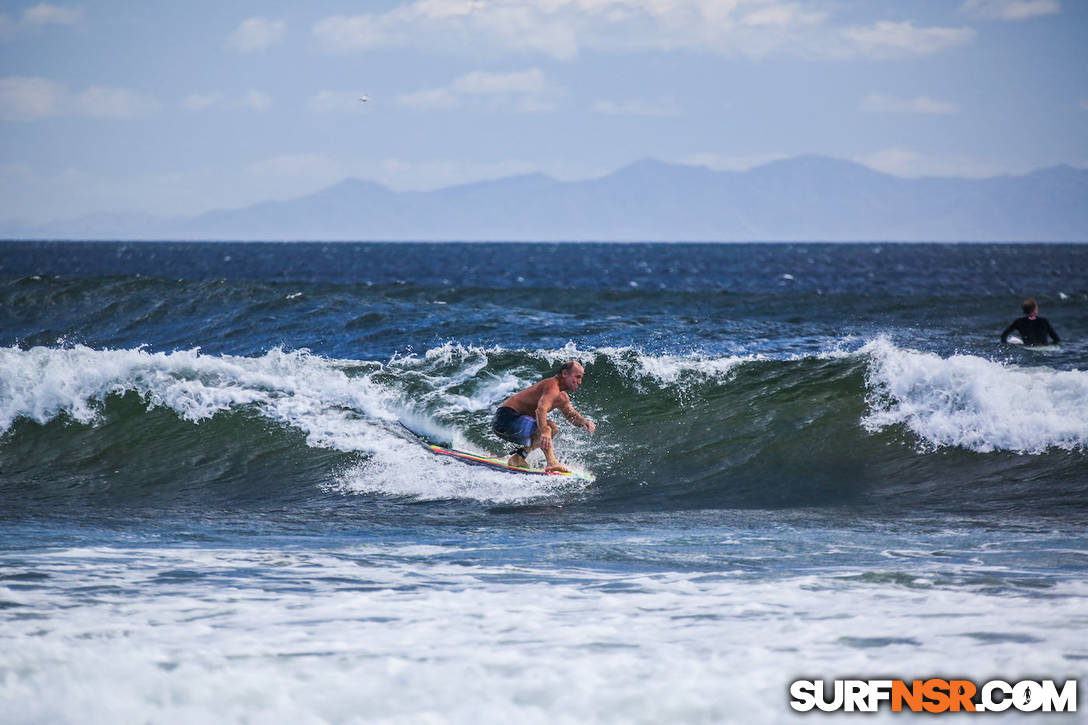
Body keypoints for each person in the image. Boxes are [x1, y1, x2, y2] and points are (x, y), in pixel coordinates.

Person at [491, 361, 596, 472]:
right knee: (546, 428)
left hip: (514, 423)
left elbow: (572, 417)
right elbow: (541, 410)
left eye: (581, 378)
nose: (579, 382)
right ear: (564, 373)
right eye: (577, 377)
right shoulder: (551, 386)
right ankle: (551, 463)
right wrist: (545, 431)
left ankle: (518, 457)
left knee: (553, 428)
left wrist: (585, 422)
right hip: (505, 419)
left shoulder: (562, 397)